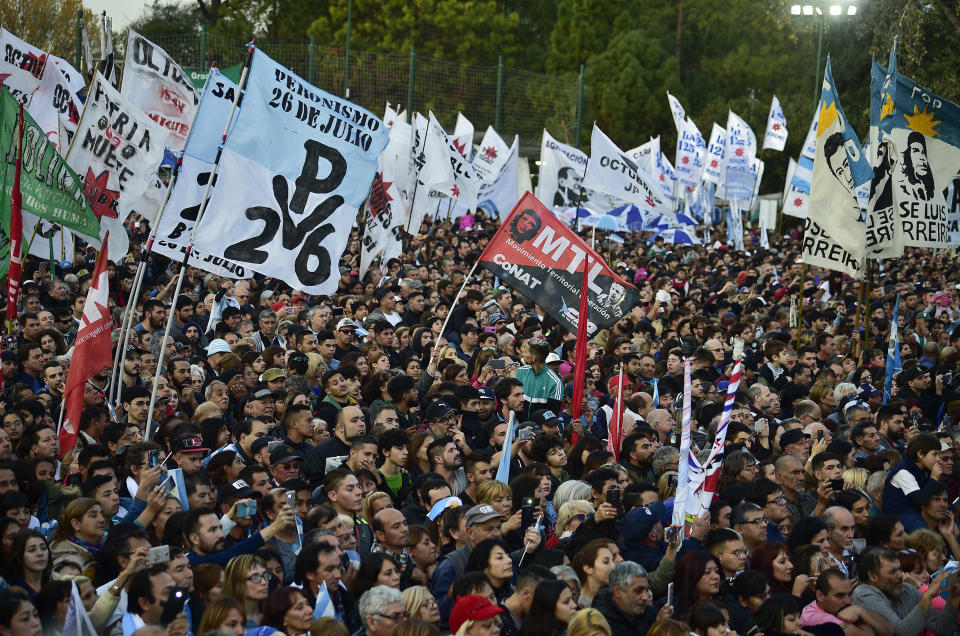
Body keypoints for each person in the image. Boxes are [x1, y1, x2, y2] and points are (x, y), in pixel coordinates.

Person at [851, 547, 959, 635]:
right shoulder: (863, 594)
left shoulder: (908, 589)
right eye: (893, 571)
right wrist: (928, 595)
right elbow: (900, 633)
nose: (900, 575)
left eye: (900, 569)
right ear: (873, 576)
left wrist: (953, 598)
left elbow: (942, 628)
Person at [592, 561, 670, 636]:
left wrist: (658, 626)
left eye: (646, 590)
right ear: (617, 591)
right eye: (638, 591)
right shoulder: (600, 626)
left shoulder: (649, 613)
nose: (646, 597)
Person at [222, 554, 270, 628]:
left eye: (265, 575)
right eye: (255, 577)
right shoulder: (225, 621)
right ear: (237, 582)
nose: (264, 582)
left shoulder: (274, 616)